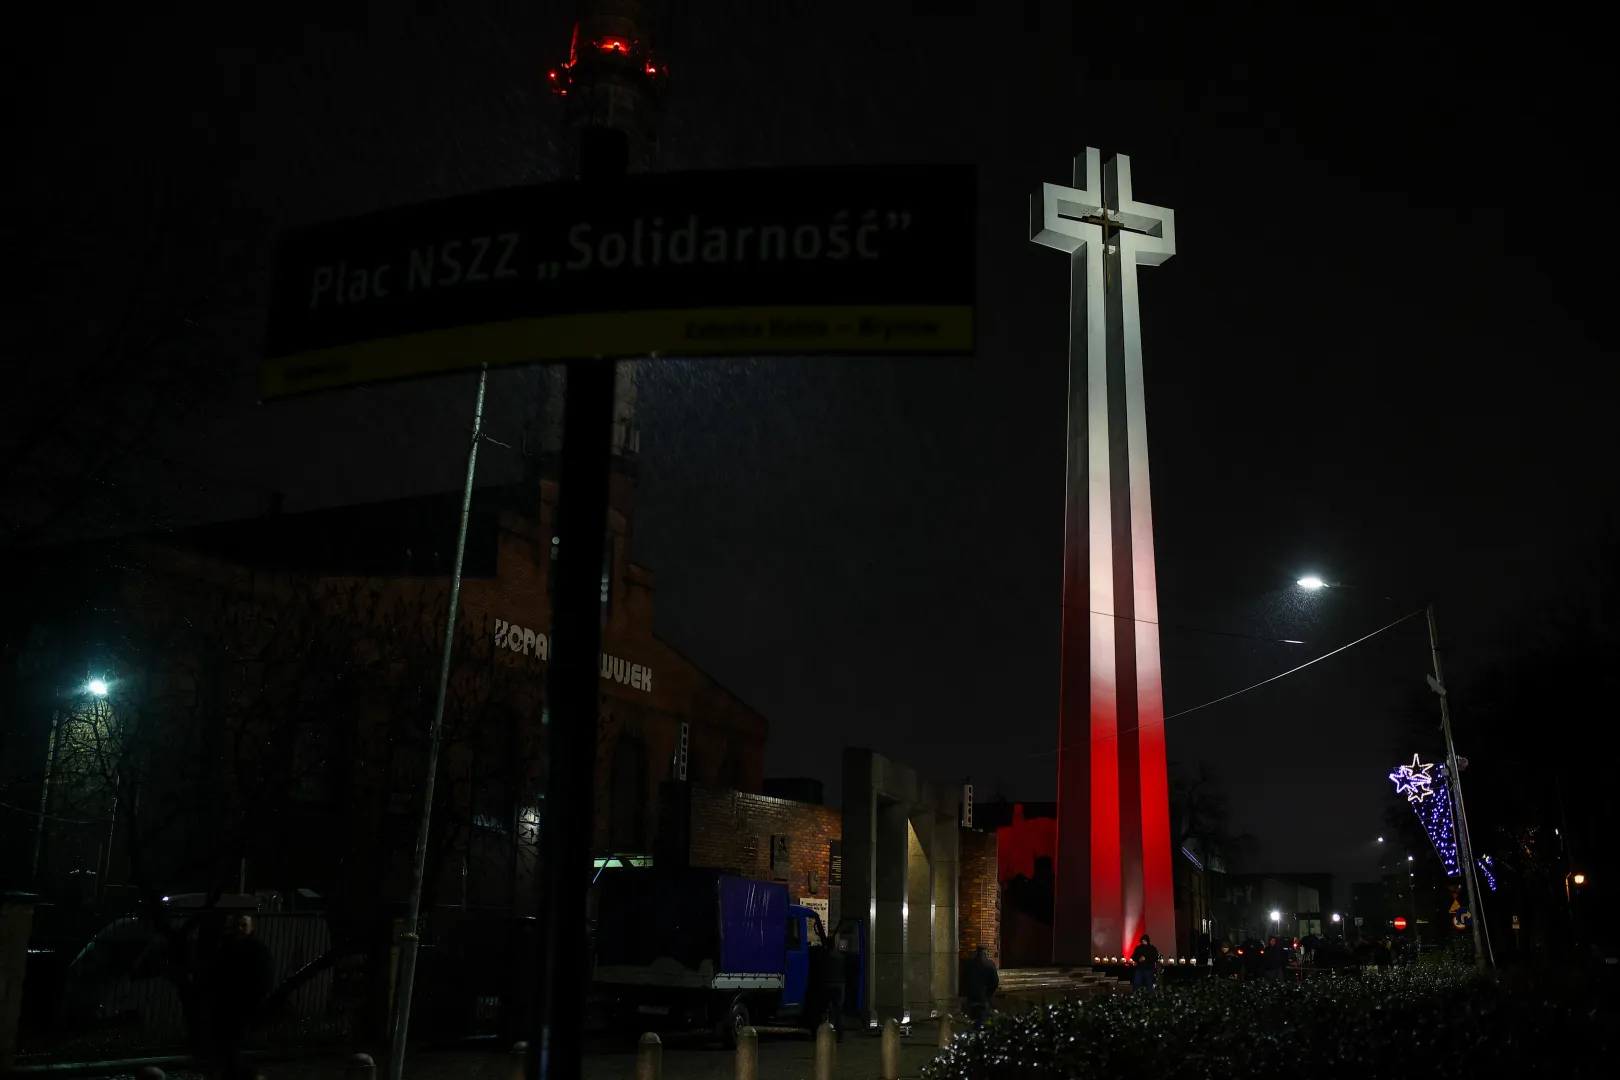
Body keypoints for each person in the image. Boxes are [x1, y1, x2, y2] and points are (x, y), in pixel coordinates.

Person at [205, 913, 275, 1080]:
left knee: (232, 1046)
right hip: (227, 1005)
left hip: (243, 1006)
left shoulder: (255, 949)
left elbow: (264, 979)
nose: (240, 928)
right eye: (238, 925)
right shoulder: (227, 947)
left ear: (252, 928)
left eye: (243, 925)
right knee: (227, 1046)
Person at [963, 946, 998, 1029]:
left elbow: (964, 979)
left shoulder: (969, 964)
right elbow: (995, 982)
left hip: (971, 996)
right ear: (986, 953)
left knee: (973, 1019)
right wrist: (988, 993)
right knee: (983, 1018)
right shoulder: (990, 965)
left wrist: (966, 993)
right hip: (983, 997)